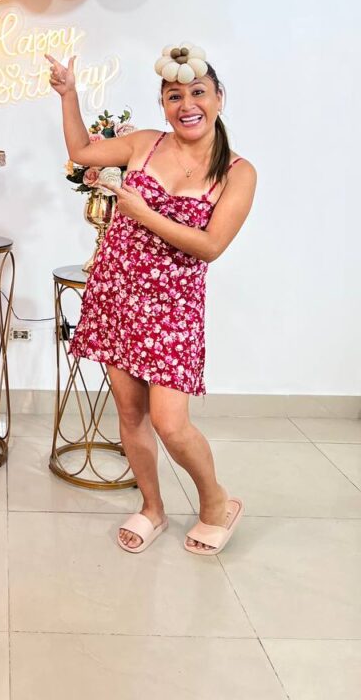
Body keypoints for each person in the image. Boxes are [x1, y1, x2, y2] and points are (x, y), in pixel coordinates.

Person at [46, 44, 256, 555]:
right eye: (173, 96)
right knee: (130, 412)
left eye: (198, 92)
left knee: (171, 423)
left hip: (172, 310)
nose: (187, 104)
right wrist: (69, 94)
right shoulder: (143, 143)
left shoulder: (238, 172)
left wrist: (143, 214)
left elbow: (210, 246)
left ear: (219, 97)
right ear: (163, 105)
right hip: (116, 294)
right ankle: (152, 508)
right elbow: (82, 152)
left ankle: (216, 503)